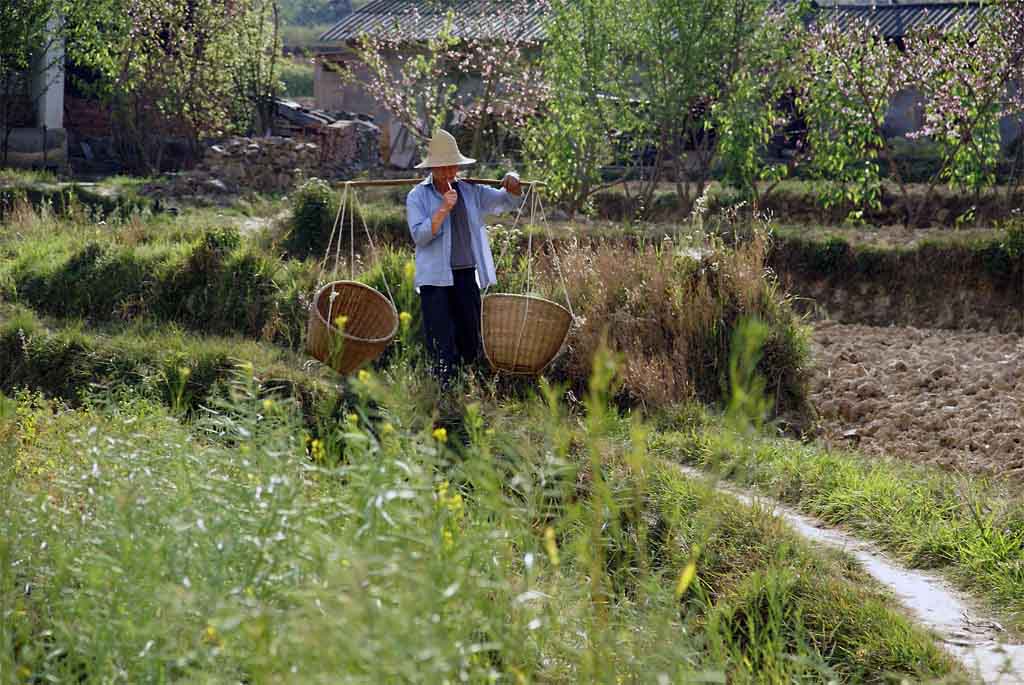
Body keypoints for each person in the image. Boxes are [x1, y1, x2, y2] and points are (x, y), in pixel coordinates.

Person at [406, 129, 523, 383]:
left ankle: (468, 388)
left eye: (452, 167)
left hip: (465, 274)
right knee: (441, 341)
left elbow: (506, 202)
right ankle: (441, 395)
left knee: (470, 337)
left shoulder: (471, 192)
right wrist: (443, 209)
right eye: (442, 168)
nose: (448, 173)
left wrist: (513, 181)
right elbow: (420, 236)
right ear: (432, 168)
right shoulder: (417, 196)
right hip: (434, 280)